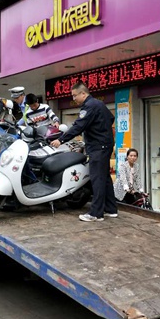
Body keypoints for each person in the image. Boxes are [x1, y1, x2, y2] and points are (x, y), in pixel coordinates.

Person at [50, 82, 118, 222]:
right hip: (105, 145)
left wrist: (61, 140)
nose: (74, 98)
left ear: (83, 93)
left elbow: (78, 126)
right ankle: (111, 209)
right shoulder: (99, 104)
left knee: (97, 179)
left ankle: (96, 213)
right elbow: (111, 118)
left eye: (75, 95)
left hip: (98, 147)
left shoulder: (89, 106)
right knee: (104, 178)